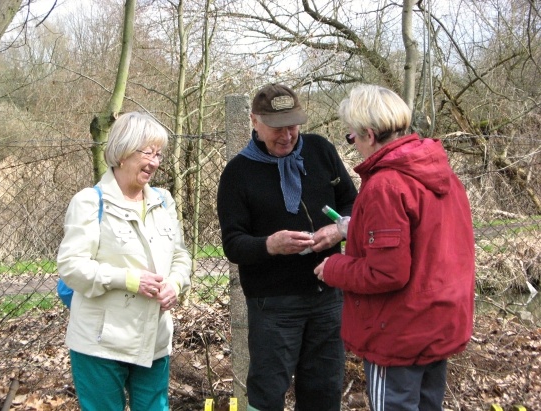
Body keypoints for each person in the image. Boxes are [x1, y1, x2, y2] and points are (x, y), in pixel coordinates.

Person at [314, 84, 475, 410]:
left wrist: (333, 267)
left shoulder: (385, 184)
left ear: (369, 135)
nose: (354, 145)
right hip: (438, 323)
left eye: (352, 137)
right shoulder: (438, 171)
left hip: (398, 334)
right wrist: (354, 228)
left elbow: (386, 272)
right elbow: (429, 243)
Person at [217, 83, 357, 411]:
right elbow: (233, 244)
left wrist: (339, 230)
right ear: (254, 121)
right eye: (277, 128)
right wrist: (270, 245)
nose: (287, 135)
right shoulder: (238, 173)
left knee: (324, 392)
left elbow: (353, 203)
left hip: (327, 297)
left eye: (293, 126)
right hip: (273, 305)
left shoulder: (321, 151)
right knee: (267, 394)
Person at [57, 112, 192, 411]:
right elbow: (71, 267)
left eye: (159, 154)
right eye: (148, 153)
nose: (155, 162)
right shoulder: (90, 202)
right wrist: (130, 280)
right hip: (100, 342)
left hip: (154, 338)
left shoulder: (164, 200)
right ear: (122, 152)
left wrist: (175, 283)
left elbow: (180, 255)